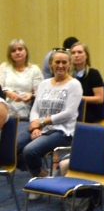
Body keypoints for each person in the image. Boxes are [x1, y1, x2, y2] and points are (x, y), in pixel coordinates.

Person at [17, 49, 83, 178]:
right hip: (40, 127)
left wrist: (42, 122)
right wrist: (35, 127)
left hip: (62, 131)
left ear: (70, 64)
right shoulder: (44, 84)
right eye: (57, 62)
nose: (60, 65)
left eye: (64, 62)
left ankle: (39, 177)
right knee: (9, 148)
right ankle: (42, 174)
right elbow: (35, 109)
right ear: (51, 64)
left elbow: (69, 113)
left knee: (30, 151)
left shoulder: (74, 85)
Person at [1, 39, 43, 125]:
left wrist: (31, 95)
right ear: (10, 54)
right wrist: (9, 94)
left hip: (25, 111)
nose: (17, 52)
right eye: (13, 51)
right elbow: (0, 87)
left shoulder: (34, 70)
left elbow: (41, 92)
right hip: (4, 108)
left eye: (20, 49)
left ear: (26, 51)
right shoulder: (4, 67)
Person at [69, 42, 104, 123]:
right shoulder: (68, 74)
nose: (76, 55)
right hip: (71, 110)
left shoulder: (93, 73)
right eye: (73, 53)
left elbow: (100, 99)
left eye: (79, 52)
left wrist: (78, 98)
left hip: (89, 111)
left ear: (86, 55)